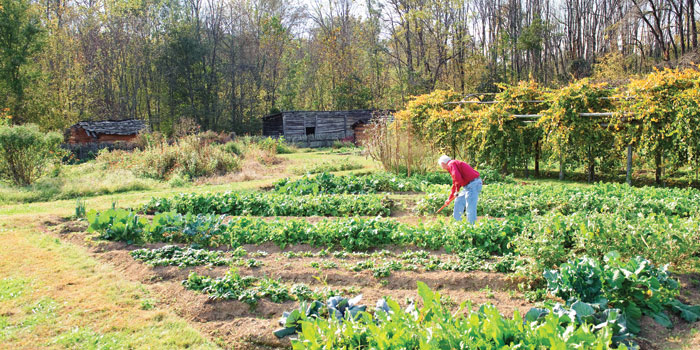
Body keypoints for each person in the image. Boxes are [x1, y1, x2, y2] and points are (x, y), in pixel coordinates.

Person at [438, 155, 483, 224]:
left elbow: (457, 178)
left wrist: (457, 191)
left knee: (470, 206)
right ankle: (456, 224)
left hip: (473, 184)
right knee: (458, 201)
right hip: (468, 186)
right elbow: (455, 182)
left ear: (443, 163)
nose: (442, 167)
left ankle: (472, 227)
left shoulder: (451, 164)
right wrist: (449, 198)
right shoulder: (453, 165)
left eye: (441, 165)